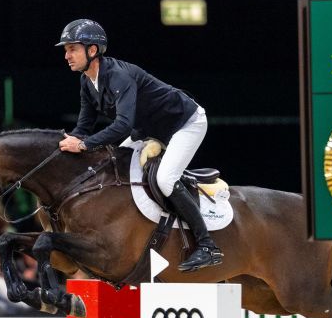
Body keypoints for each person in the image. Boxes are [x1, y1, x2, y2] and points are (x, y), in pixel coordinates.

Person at [56, 19, 223, 271]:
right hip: (149, 130)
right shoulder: (86, 81)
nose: (66, 55)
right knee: (114, 163)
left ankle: (207, 245)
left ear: (92, 50)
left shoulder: (119, 77)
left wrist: (84, 145)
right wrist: (64, 146)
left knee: (166, 179)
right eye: (66, 49)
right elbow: (83, 127)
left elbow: (122, 125)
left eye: (72, 49)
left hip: (184, 123)